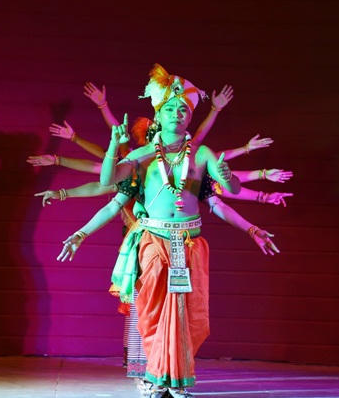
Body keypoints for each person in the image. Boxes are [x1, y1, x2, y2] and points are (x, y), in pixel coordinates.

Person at [60, 64, 244, 397]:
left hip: (189, 243)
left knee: (189, 316)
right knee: (153, 314)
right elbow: (107, 184)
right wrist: (81, 233)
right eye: (170, 108)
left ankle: (176, 380)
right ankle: (158, 379)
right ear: (159, 114)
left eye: (183, 110)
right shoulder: (142, 155)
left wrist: (230, 178)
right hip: (154, 242)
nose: (177, 114)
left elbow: (230, 190)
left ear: (190, 117)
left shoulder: (202, 154)